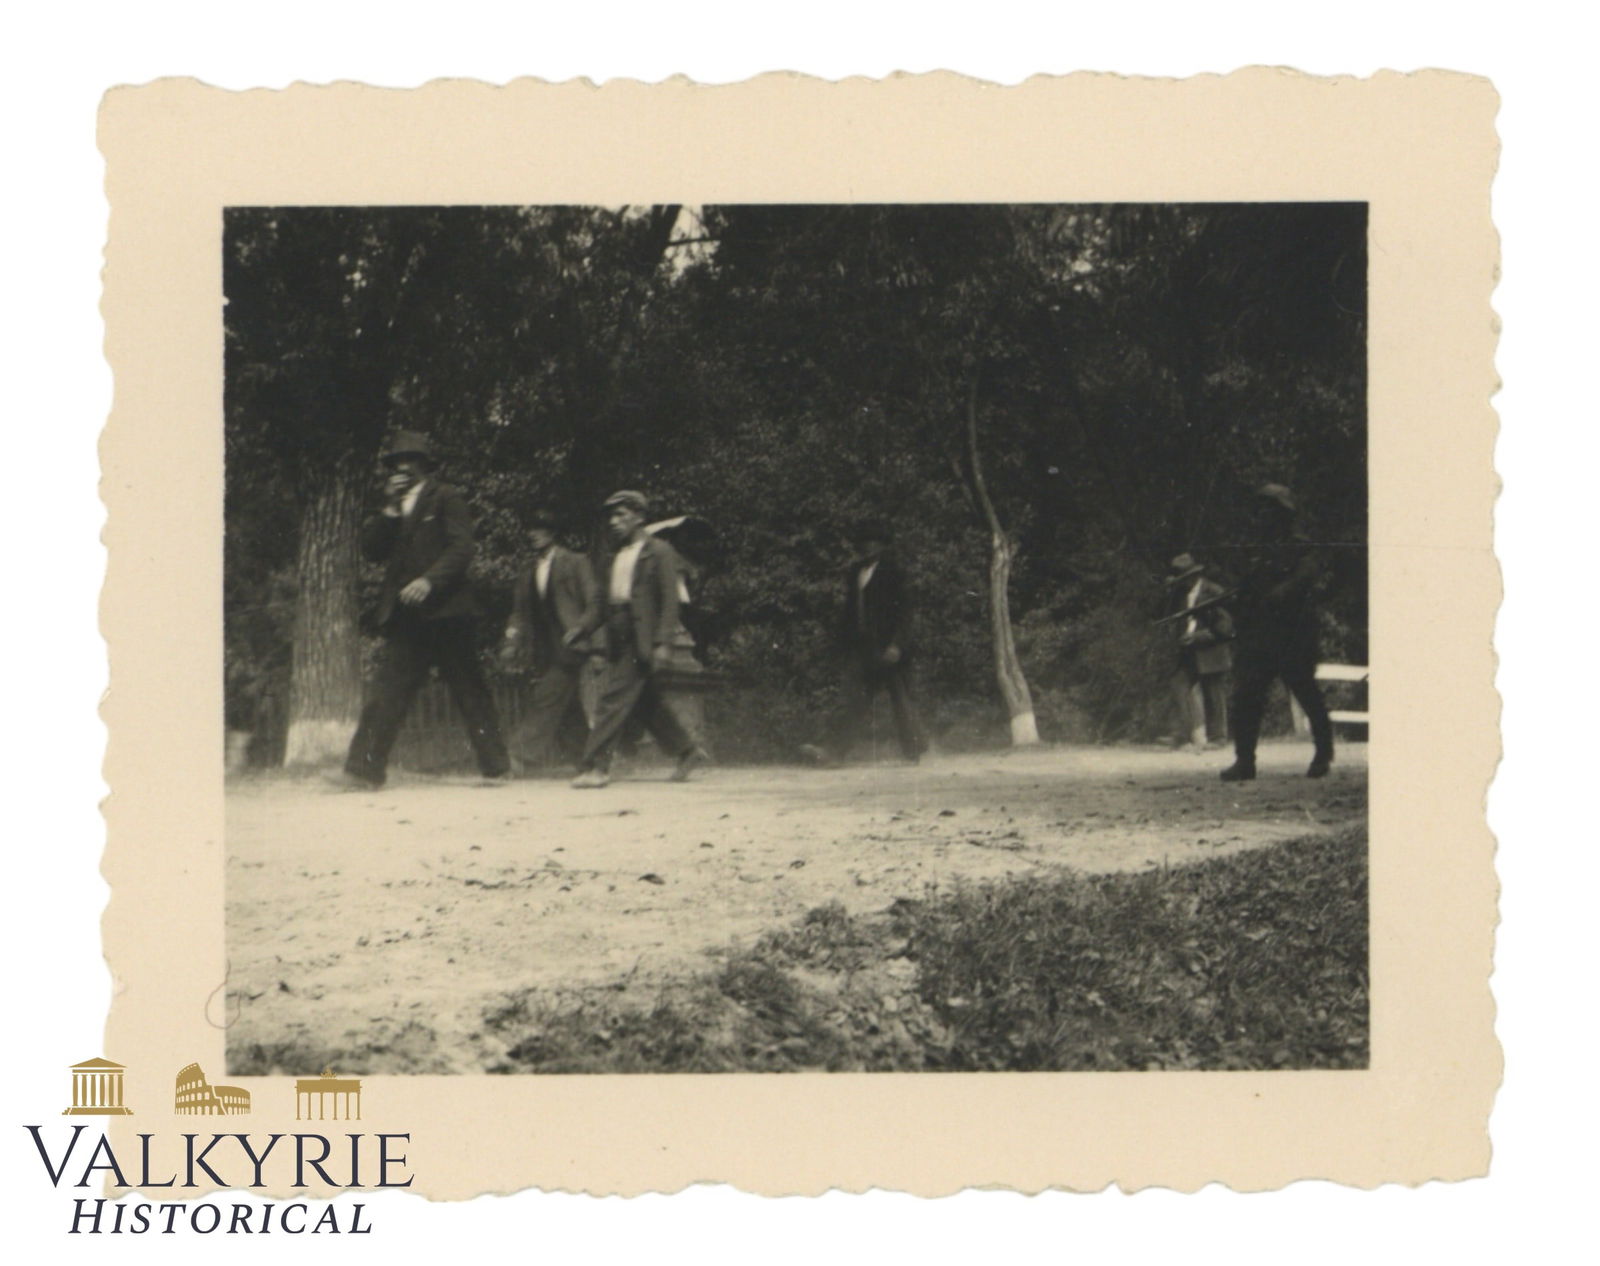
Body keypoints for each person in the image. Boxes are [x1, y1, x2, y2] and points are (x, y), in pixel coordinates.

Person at [335, 431, 509, 789]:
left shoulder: (445, 497)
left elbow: (462, 549)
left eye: (410, 460)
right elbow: (372, 551)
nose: (402, 468)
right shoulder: (394, 508)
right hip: (408, 618)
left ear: (424, 465)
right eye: (396, 462)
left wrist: (430, 581)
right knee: (387, 692)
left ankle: (496, 769)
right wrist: (388, 508)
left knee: (469, 691)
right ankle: (363, 772)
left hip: (448, 613)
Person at [570, 490, 709, 788]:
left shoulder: (659, 552)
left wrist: (663, 644)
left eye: (621, 514)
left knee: (612, 700)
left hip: (642, 639)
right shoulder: (613, 556)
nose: (614, 521)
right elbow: (602, 602)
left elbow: (670, 601)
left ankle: (596, 767)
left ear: (639, 517)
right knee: (644, 703)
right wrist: (582, 628)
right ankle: (687, 751)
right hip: (618, 637)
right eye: (612, 515)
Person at [1220, 483, 1334, 781]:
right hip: (1259, 636)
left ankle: (1323, 753)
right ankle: (1244, 761)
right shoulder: (1255, 551)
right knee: (1247, 696)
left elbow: (1305, 579)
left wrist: (1278, 595)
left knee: (1306, 693)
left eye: (1268, 509)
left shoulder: (1301, 547)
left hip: (1293, 635)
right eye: (1260, 509)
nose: (1262, 515)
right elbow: (1244, 589)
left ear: (1283, 513)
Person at [800, 519, 927, 766]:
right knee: (854, 700)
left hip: (889, 647)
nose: (868, 547)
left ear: (882, 545)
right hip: (864, 647)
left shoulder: (894, 572)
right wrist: (841, 644)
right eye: (864, 543)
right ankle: (836, 753)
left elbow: (906, 612)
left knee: (900, 699)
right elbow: (850, 612)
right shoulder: (855, 572)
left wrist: (897, 645)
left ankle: (914, 753)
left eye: (874, 542)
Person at [497, 508, 601, 771]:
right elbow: (519, 614)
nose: (533, 535)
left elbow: (595, 602)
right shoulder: (528, 571)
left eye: (540, 529)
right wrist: (511, 642)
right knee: (567, 706)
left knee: (546, 696)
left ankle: (518, 755)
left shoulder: (576, 562)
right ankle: (588, 760)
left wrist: (581, 627)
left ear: (553, 532)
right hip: (543, 649)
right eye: (530, 529)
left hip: (570, 644)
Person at [1164, 553, 1233, 751]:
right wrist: (1167, 591)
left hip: (1211, 650)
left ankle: (1217, 738)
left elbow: (1225, 628)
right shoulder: (1178, 594)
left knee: (1213, 693)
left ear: (1194, 576)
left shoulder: (1214, 592)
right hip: (1187, 652)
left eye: (1184, 579)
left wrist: (1198, 637)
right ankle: (1182, 738)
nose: (1182, 583)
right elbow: (1161, 613)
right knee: (1178, 686)